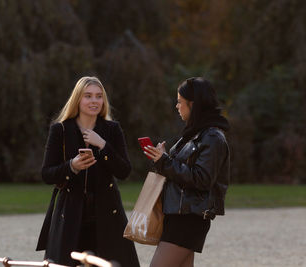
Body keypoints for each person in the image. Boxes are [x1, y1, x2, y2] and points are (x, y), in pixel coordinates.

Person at [36, 76, 140, 267]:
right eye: (88, 96)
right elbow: (47, 174)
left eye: (99, 96)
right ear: (78, 99)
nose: (94, 101)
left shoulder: (112, 129)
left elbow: (124, 171)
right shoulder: (60, 130)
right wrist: (71, 166)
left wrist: (102, 145)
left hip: (107, 212)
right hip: (70, 212)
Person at [144, 77, 230, 267]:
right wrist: (162, 158)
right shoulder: (194, 134)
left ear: (193, 104)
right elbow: (182, 170)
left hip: (189, 217)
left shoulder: (213, 137)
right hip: (177, 215)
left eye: (180, 102)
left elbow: (202, 179)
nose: (177, 106)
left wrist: (164, 161)